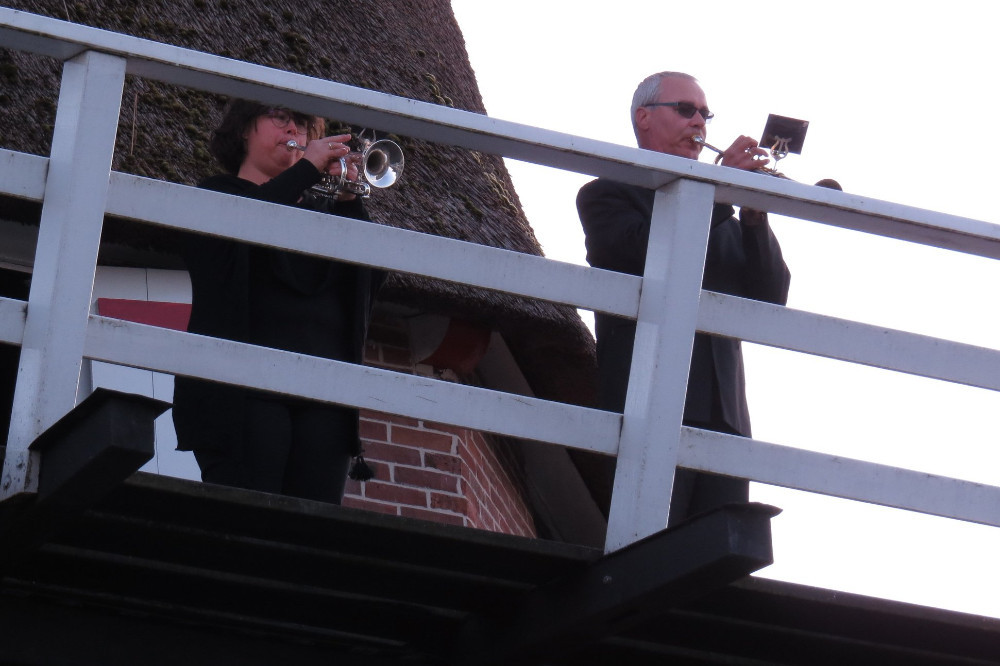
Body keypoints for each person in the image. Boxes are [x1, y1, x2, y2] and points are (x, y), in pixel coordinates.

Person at [576, 71, 791, 526]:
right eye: (686, 109)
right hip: (649, 404)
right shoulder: (605, 194)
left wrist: (755, 217)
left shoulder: (726, 221)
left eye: (705, 114)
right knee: (651, 542)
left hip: (726, 416)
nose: (699, 123)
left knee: (716, 553)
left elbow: (772, 299)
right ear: (644, 118)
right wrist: (718, 193)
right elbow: (643, 249)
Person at [172, 99, 385, 503]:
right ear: (243, 129)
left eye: (303, 125)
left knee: (312, 530)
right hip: (241, 395)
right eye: (281, 119)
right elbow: (245, 228)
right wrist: (306, 170)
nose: (294, 132)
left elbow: (366, 282)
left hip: (323, 395)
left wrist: (348, 200)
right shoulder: (216, 193)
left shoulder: (325, 214)